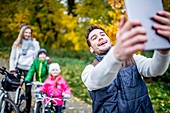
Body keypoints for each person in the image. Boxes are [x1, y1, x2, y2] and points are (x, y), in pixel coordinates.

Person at [81, 10, 170, 113]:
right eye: (94, 38)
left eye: (102, 34)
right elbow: (96, 80)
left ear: (109, 39)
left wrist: (163, 49)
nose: (100, 37)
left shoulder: (134, 59)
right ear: (91, 48)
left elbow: (156, 69)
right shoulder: (89, 70)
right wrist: (115, 56)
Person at [9, 25, 40, 113]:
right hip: (18, 67)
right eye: (26, 32)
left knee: (28, 90)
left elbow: (38, 56)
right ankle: (15, 104)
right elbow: (12, 58)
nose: (27, 34)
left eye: (29, 33)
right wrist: (12, 69)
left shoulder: (34, 43)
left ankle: (27, 109)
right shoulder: (17, 43)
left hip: (29, 69)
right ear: (22, 33)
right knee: (16, 86)